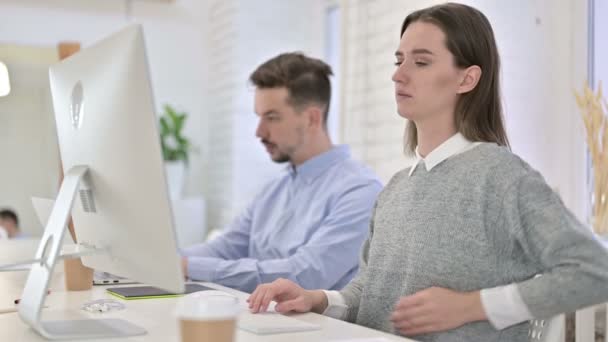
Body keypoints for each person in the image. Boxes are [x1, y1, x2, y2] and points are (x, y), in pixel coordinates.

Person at [247, 3, 608, 341]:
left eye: (421, 62)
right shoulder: (395, 190)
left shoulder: (501, 176)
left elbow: (595, 271)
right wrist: (320, 300)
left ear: (466, 80)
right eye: (399, 60)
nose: (397, 75)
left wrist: (472, 306)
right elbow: (371, 292)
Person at [180, 52, 382, 293]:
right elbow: (226, 247)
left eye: (272, 118)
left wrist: (191, 267)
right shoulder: (274, 190)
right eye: (259, 117)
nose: (259, 132)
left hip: (317, 328)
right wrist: (166, 260)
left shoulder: (360, 191)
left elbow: (303, 275)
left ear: (311, 119)